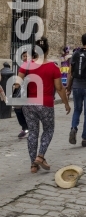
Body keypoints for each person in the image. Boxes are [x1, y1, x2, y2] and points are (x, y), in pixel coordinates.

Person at [16, 37, 71, 174]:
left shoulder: (26, 65)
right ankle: (40, 156)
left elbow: (17, 83)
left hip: (28, 105)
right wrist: (66, 104)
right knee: (48, 130)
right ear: (47, 50)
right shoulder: (53, 67)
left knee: (33, 133)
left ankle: (33, 165)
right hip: (45, 104)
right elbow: (59, 88)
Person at [13, 50, 29, 138]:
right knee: (18, 109)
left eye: (27, 56)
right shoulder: (22, 66)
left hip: (31, 91)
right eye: (24, 56)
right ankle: (25, 127)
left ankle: (26, 128)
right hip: (22, 90)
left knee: (25, 110)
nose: (25, 58)